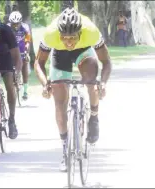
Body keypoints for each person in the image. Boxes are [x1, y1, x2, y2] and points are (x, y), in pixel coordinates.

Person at [33, 7, 112, 171]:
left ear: (80, 33)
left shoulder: (90, 31)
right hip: (59, 55)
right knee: (59, 101)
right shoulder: (51, 34)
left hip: (83, 52)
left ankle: (94, 116)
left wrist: (102, 83)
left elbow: (106, 62)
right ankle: (65, 149)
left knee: (91, 79)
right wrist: (45, 84)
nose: (69, 42)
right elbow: (38, 63)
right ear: (59, 34)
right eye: (65, 38)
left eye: (72, 38)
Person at [7, 11, 32, 100]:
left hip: (22, 49)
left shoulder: (25, 27)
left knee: (24, 65)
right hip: (11, 50)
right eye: (14, 24)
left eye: (17, 24)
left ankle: (25, 91)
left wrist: (26, 52)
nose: (16, 26)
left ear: (21, 22)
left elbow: (28, 41)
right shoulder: (7, 28)